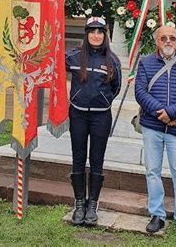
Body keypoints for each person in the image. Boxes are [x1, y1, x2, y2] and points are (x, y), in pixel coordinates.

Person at [134, 25, 176, 241]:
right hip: (152, 127)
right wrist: (161, 114)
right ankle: (157, 215)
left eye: (172, 38)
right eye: (164, 38)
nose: (168, 41)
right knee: (152, 171)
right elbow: (140, 92)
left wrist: (171, 113)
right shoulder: (145, 63)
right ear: (157, 41)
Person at [65, 17, 121, 226]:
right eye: (92, 31)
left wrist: (102, 100)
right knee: (78, 157)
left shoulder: (112, 60)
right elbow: (52, 64)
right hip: (78, 114)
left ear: (105, 35)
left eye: (100, 32)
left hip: (101, 116)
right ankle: (79, 203)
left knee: (96, 159)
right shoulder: (74, 56)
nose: (96, 35)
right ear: (86, 34)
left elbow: (115, 87)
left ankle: (92, 205)